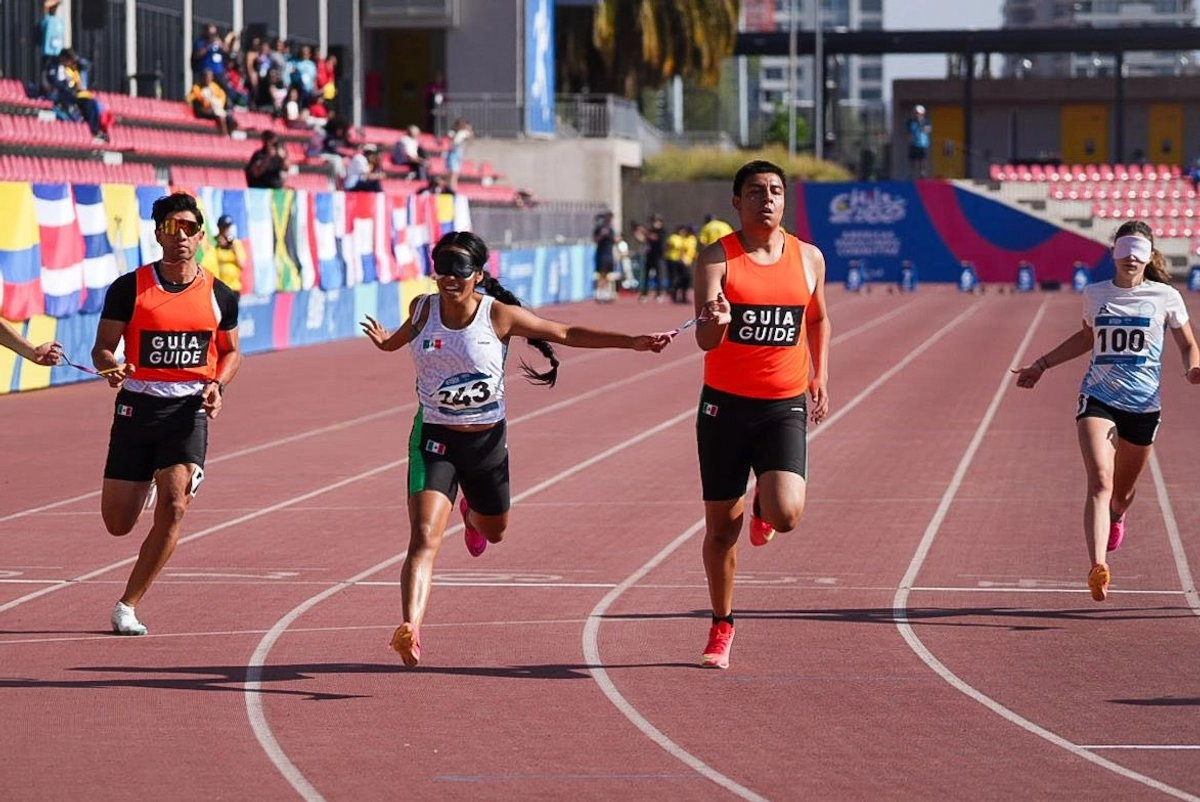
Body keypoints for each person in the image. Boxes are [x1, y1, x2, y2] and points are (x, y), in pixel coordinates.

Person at [360, 231, 673, 667]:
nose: (448, 277)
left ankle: (471, 515)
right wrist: (386, 341)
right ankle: (411, 628)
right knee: (424, 538)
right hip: (435, 439)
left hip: (486, 443)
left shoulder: (499, 316)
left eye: (459, 270)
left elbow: (564, 331)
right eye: (442, 268)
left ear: (478, 276)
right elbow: (405, 335)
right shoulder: (422, 308)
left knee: (495, 530)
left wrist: (632, 341)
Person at [1012, 219, 1200, 603]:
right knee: (1099, 480)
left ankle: (1117, 516)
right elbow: (1086, 338)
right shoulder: (1095, 294)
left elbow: (1187, 344)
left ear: (1148, 258)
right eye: (1125, 250)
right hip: (1097, 397)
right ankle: (1098, 566)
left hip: (1144, 406)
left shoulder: (1166, 297)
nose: (1131, 258)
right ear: (1114, 252)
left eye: (1139, 252)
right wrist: (1041, 365)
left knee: (1122, 493)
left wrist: (1192, 366)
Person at [690, 160, 831, 670]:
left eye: (774, 191)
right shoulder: (716, 259)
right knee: (720, 532)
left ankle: (765, 510)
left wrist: (819, 374)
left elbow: (817, 318)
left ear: (784, 200)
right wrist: (717, 322)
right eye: (754, 192)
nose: (766, 199)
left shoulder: (809, 258)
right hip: (723, 407)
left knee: (787, 514)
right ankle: (722, 624)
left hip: (782, 403)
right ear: (736, 201)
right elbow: (704, 340)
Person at [90, 192, 242, 636]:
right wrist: (108, 365)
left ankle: (127, 604)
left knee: (175, 507)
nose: (181, 236)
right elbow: (102, 347)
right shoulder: (129, 288)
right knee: (117, 524)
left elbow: (232, 353)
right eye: (172, 228)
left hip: (187, 408)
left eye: (190, 228)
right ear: (158, 233)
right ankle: (152, 482)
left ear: (200, 236)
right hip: (137, 407)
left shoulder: (219, 294)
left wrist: (217, 384)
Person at [203, 215, 246, 293]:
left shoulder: (235, 243)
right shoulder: (214, 242)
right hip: (219, 287)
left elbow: (242, 264)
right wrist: (218, 244)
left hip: (233, 287)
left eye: (228, 227)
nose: (226, 230)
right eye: (224, 227)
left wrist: (233, 247)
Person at [592, 211, 617, 303]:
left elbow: (614, 241)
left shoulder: (611, 229)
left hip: (609, 254)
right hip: (601, 254)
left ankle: (606, 293)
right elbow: (595, 239)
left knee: (608, 274)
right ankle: (599, 293)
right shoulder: (599, 228)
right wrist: (601, 235)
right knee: (601, 274)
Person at [445, 118, 473, 193]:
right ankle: (450, 187)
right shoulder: (453, 133)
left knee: (456, 172)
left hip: (458, 153)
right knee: (452, 172)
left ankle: (454, 187)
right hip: (453, 153)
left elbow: (469, 141)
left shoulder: (465, 133)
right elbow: (454, 141)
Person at [906, 104, 932, 179]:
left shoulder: (926, 122)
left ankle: (922, 173)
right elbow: (909, 130)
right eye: (916, 113)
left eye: (919, 113)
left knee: (922, 160)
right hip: (913, 143)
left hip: (922, 144)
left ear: (923, 114)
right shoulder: (911, 122)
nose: (917, 115)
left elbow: (927, 131)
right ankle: (912, 174)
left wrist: (921, 124)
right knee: (912, 160)